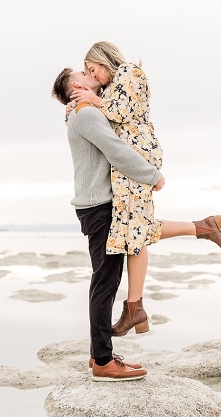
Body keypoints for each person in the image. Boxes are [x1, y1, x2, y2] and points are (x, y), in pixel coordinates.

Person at [67, 41, 221, 339]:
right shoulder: (111, 86)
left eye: (93, 69)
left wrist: (94, 100)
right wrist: (81, 103)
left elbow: (122, 111)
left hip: (137, 155)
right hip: (127, 161)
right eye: (89, 72)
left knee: (134, 229)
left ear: (105, 60)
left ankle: (135, 308)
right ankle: (202, 229)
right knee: (134, 228)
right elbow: (98, 118)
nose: (94, 75)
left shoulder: (131, 72)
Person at [52, 68, 156, 382]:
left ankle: (102, 353)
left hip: (94, 206)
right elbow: (116, 149)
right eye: (82, 72)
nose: (89, 71)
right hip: (99, 207)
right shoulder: (85, 115)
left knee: (105, 280)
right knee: (105, 282)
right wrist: (152, 175)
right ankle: (102, 362)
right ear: (76, 85)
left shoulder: (83, 112)